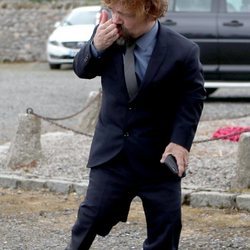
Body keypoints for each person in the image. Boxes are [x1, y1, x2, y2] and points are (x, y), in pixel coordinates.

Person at [67, 0, 206, 249]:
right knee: (88, 223)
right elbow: (81, 69)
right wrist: (96, 46)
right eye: (113, 11)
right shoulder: (106, 34)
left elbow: (192, 99)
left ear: (149, 12)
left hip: (160, 160)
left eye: (125, 14)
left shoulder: (183, 50)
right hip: (111, 157)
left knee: (166, 231)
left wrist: (180, 142)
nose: (116, 19)